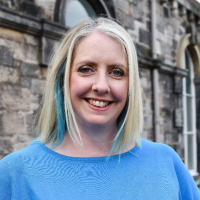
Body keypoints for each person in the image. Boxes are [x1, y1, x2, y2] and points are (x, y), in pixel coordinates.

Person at [0, 17, 199, 200]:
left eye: (117, 72)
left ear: (131, 86)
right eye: (86, 69)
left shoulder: (166, 163)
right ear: (63, 79)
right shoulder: (15, 173)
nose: (101, 86)